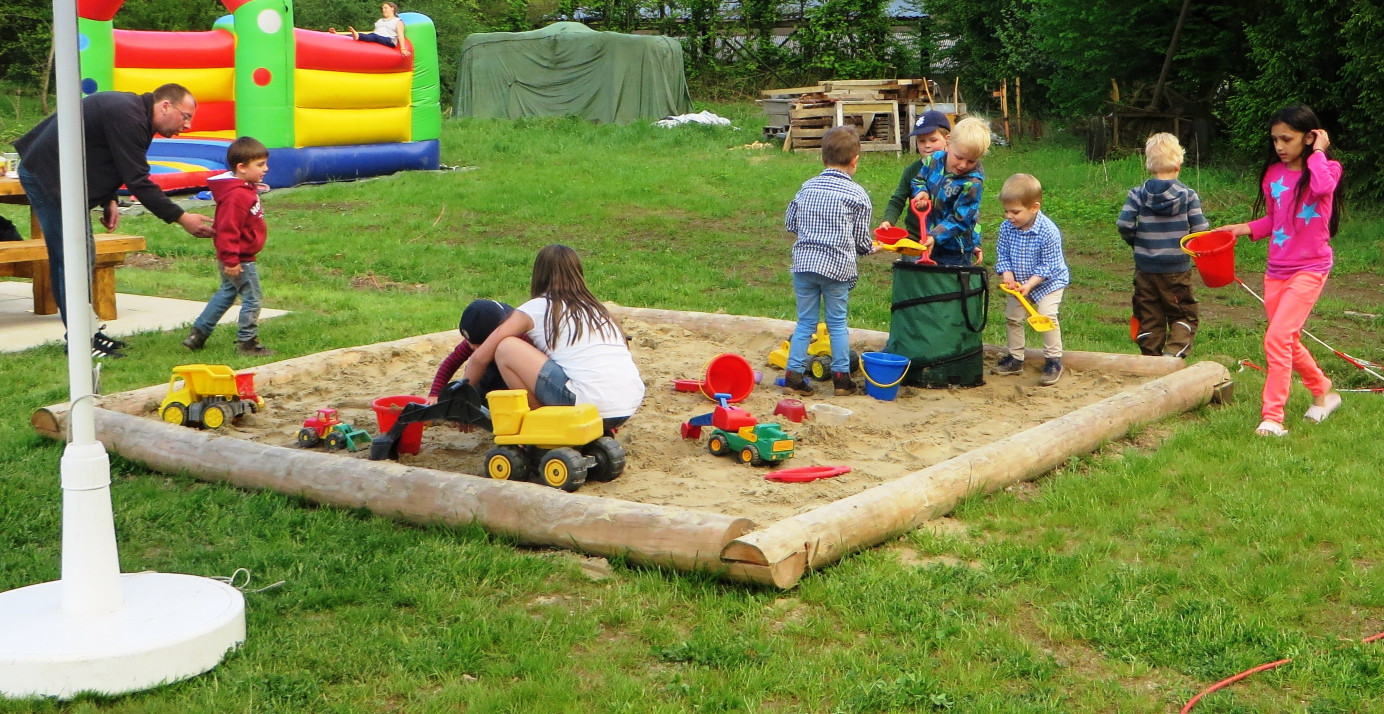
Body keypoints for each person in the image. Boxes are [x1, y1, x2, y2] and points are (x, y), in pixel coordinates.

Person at [14, 82, 215, 357]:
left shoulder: (135, 114)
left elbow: (103, 153)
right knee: (70, 259)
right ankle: (80, 340)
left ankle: (87, 332)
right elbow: (138, 181)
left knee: (82, 256)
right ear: (166, 106)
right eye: (186, 117)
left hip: (62, 177)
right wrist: (181, 217)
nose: (188, 126)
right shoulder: (129, 116)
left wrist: (108, 198)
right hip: (46, 174)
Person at [1217, 104, 1345, 437]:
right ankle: (1323, 389)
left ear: (1309, 137)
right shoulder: (1273, 174)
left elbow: (1322, 189)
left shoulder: (1327, 169)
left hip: (1311, 269)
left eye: (1287, 139)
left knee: (1276, 338)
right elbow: (1277, 220)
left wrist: (1319, 152)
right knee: (1286, 337)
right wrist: (1243, 228)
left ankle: (1272, 418)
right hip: (1276, 270)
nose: (1279, 146)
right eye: (1275, 139)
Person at [462, 245, 644, 431]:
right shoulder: (598, 310)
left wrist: (462, 399)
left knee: (505, 348)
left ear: (539, 274)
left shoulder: (535, 308)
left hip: (586, 402)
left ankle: (544, 423)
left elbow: (480, 357)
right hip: (627, 404)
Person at [782, 125, 875, 397]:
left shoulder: (807, 188)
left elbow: (791, 223)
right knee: (836, 324)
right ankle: (841, 379)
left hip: (804, 265)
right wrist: (875, 247)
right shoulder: (857, 195)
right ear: (855, 159)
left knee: (805, 323)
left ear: (823, 158)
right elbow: (862, 243)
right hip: (837, 269)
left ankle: (794, 375)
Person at [1116, 132, 1209, 358]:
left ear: (1149, 165)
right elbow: (1200, 230)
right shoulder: (1188, 195)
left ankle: (1151, 360)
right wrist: (1190, 250)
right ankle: (1172, 355)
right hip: (1176, 269)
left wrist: (1137, 242)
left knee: (1149, 314)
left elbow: (1124, 224)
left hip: (1145, 269)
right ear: (1178, 164)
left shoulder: (1137, 194)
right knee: (1182, 313)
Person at [181, 137, 275, 356]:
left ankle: (197, 335)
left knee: (226, 293)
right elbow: (227, 230)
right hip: (239, 258)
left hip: (235, 256)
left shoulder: (244, 189)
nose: (266, 169)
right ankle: (247, 342)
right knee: (253, 298)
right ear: (241, 168)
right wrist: (232, 260)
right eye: (260, 164)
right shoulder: (236, 195)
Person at [992, 173, 1070, 386]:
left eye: (1015, 212)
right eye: (1006, 211)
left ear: (1034, 208)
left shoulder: (1048, 231)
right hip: (1019, 283)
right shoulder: (1006, 228)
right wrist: (1008, 276)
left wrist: (1029, 285)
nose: (1009, 216)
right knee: (1012, 317)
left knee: (1046, 316)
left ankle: (1053, 361)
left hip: (1049, 282)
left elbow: (1048, 265)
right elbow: (1003, 254)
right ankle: (1015, 358)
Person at [908, 116, 991, 267]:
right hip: (928, 237)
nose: (963, 165)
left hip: (955, 250)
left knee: (949, 281)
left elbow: (962, 218)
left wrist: (935, 236)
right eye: (959, 157)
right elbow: (918, 180)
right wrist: (921, 192)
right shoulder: (934, 160)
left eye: (971, 161)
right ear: (948, 142)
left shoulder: (972, 183)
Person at [427, 299, 534, 403]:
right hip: (488, 374)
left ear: (493, 338)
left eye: (480, 347)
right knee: (477, 373)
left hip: (516, 374)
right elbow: (451, 363)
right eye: (471, 345)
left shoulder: (520, 337)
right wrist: (435, 393)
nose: (475, 350)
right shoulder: (477, 339)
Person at [876, 110, 951, 250]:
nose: (927, 145)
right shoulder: (911, 170)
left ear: (947, 139)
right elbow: (897, 200)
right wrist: (888, 220)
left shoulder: (954, 169)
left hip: (946, 241)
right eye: (921, 141)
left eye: (933, 140)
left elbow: (965, 209)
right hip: (915, 239)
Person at [331, 2, 411, 58]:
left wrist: (403, 48)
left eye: (386, 8)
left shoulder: (398, 21)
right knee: (370, 35)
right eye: (383, 8)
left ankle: (358, 36)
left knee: (374, 36)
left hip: (389, 40)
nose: (383, 10)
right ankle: (338, 35)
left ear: (392, 8)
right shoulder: (380, 21)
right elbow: (374, 33)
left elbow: (400, 35)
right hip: (377, 36)